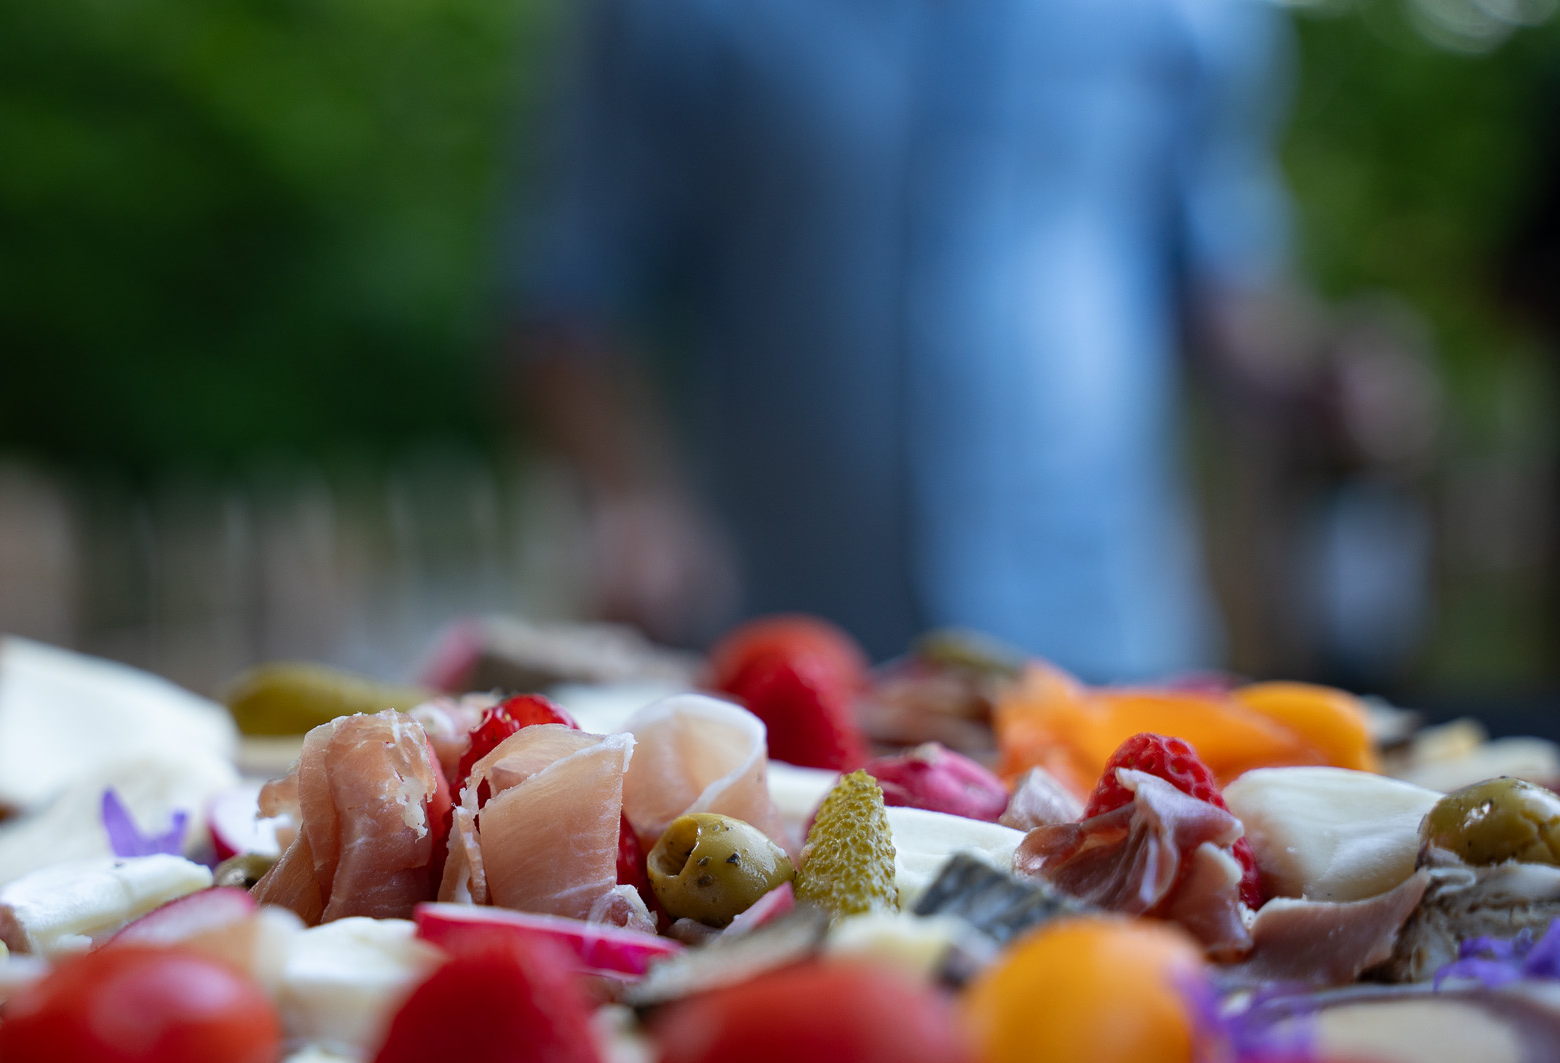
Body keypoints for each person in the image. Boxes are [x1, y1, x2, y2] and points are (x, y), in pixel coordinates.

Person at [509, 0, 1298, 679]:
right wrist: (635, 503)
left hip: (1104, 648)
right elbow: (566, 306)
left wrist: (1317, 380)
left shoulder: (1187, 14)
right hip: (793, 660)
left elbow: (1225, 295)